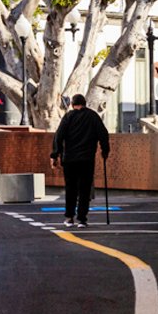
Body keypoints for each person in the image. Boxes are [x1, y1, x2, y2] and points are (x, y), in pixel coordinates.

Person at [50, 94, 110, 228]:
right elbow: (103, 134)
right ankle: (82, 219)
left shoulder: (68, 117)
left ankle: (69, 217)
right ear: (85, 103)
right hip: (86, 159)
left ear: (72, 104)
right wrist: (105, 151)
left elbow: (58, 136)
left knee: (70, 188)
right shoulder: (93, 116)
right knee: (84, 188)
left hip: (69, 159)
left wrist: (55, 155)